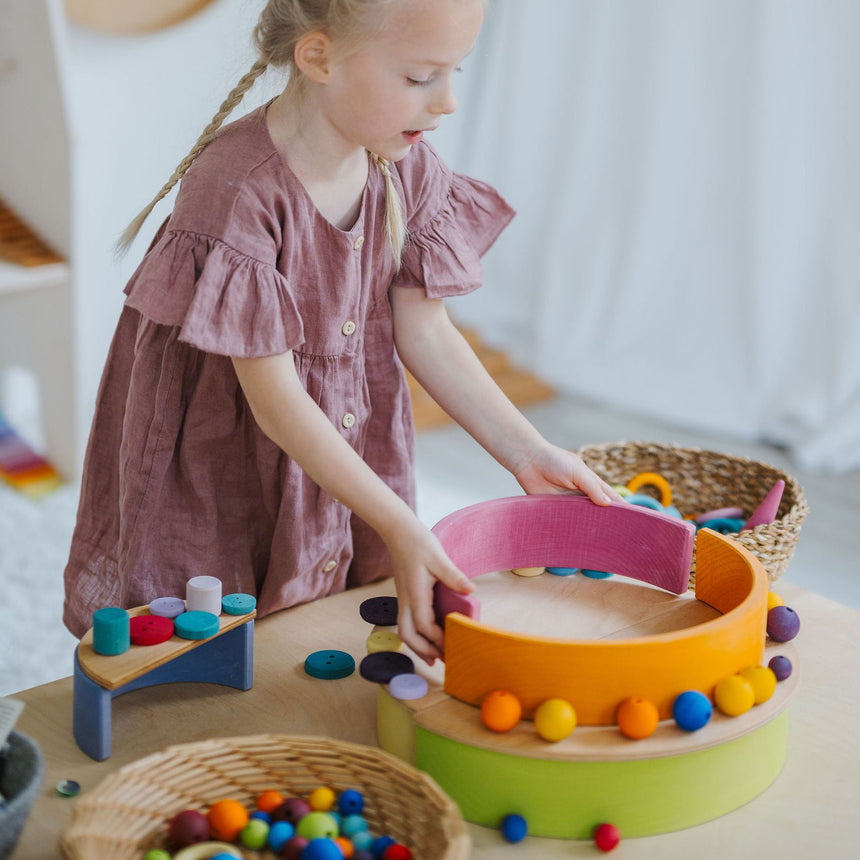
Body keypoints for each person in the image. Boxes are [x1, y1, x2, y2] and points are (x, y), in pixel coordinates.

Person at [63, 0, 620, 663]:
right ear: (318, 56)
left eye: (454, 73)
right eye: (420, 78)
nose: (446, 102)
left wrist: (528, 452)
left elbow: (429, 334)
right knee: (213, 640)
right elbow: (276, 402)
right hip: (228, 457)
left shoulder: (405, 165)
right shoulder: (239, 190)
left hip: (350, 444)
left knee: (329, 627)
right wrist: (398, 521)